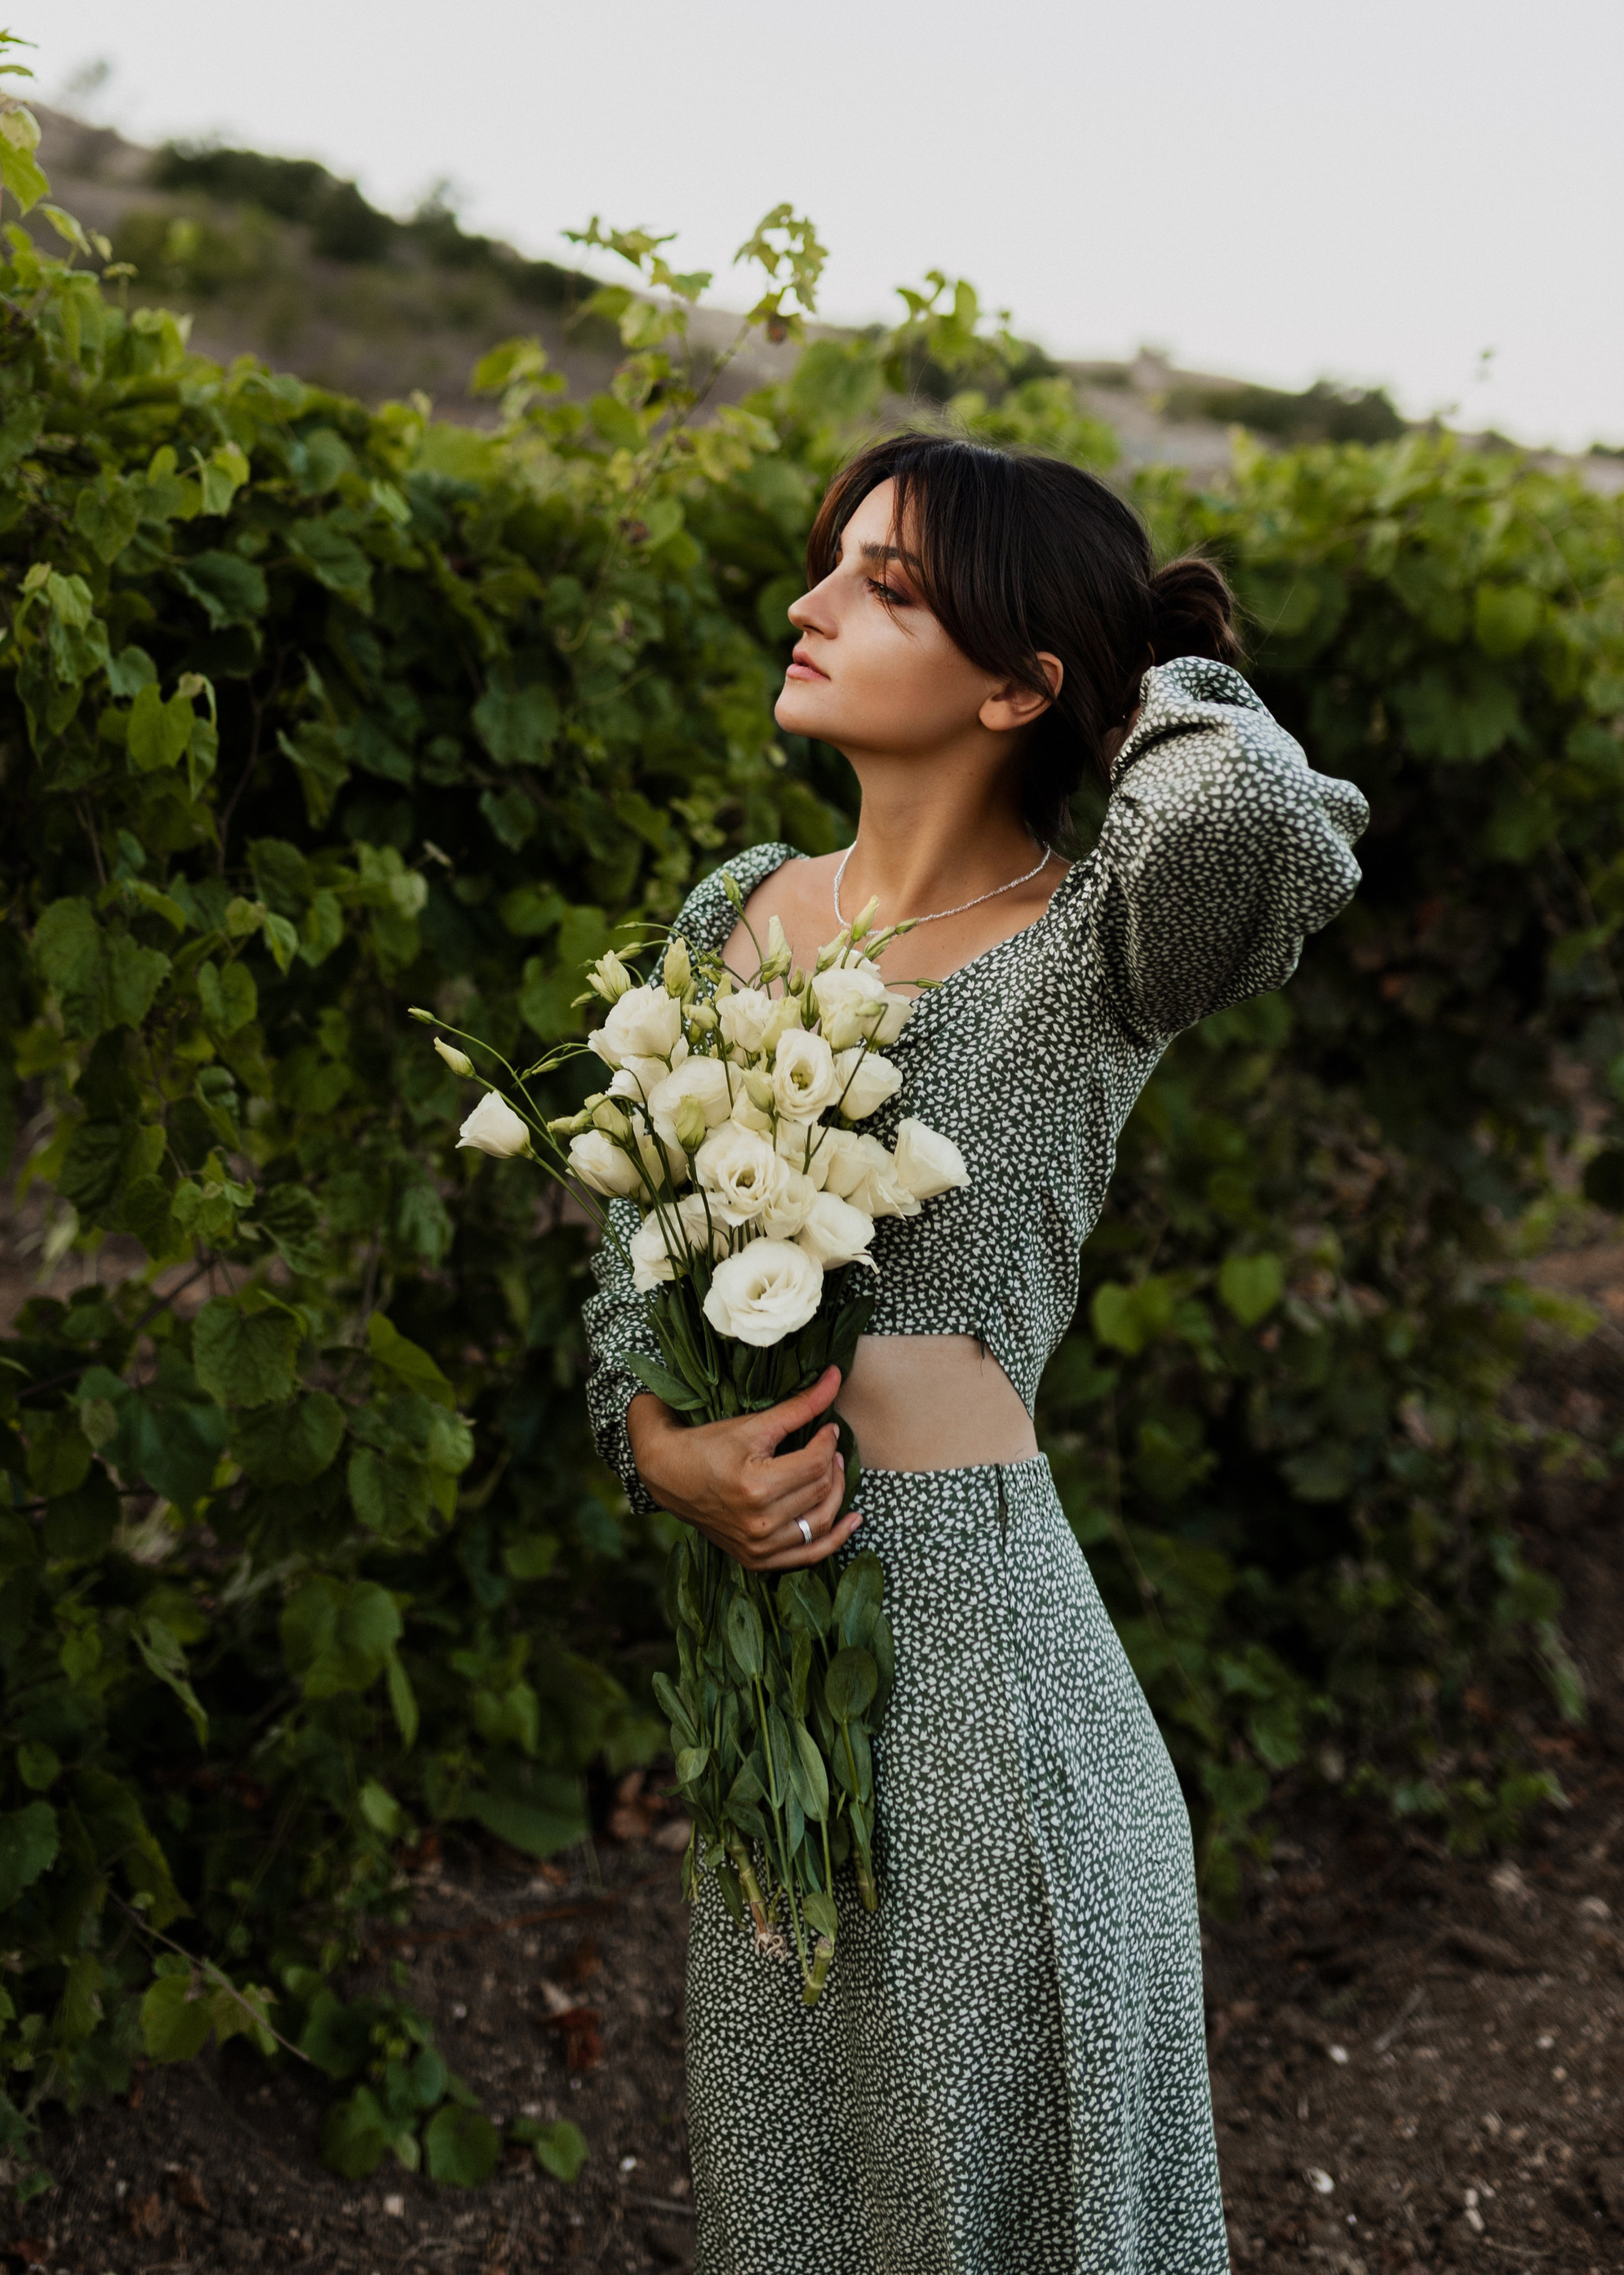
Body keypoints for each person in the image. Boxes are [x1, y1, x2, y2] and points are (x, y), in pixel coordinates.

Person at [581, 431, 1367, 2275]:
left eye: (886, 588)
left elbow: (1263, 817)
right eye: (830, 560)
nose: (808, 604)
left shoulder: (1096, 949)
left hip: (984, 1693)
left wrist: (1146, 669)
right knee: (793, 2189)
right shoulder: (732, 911)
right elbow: (636, 1261)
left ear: (1017, 687)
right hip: (767, 1673)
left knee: (991, 2208)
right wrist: (661, 1450)